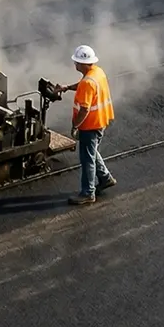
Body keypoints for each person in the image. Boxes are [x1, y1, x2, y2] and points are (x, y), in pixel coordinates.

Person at [62, 45, 116, 206]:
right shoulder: (97, 73)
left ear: (84, 64)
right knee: (91, 152)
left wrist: (75, 125)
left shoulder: (87, 82)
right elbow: (83, 85)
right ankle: (106, 178)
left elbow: (84, 108)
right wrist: (66, 87)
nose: (75, 65)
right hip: (101, 121)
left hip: (90, 125)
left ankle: (88, 193)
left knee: (87, 159)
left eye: (77, 62)